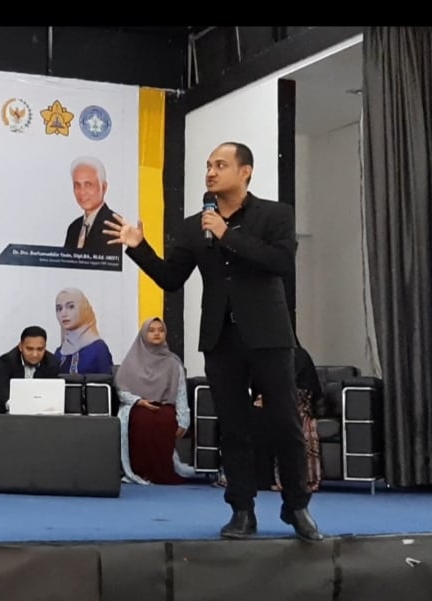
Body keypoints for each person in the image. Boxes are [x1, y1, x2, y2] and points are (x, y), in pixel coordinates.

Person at [103, 141, 322, 542]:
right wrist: (139, 248)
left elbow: (280, 263)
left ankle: (296, 506)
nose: (210, 172)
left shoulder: (275, 214)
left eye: (220, 165)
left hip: (269, 336)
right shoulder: (194, 226)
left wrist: (227, 234)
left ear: (245, 172)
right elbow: (171, 279)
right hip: (221, 339)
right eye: (208, 165)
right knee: (234, 428)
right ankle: (242, 510)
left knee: (285, 423)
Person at [115, 317, 194, 485]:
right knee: (142, 418)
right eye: (151, 330)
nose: (157, 334)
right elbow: (121, 391)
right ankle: (140, 471)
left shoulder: (173, 363)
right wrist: (139, 401)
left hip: (164, 405)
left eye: (161, 330)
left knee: (166, 418)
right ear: (144, 334)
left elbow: (180, 392)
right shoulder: (131, 361)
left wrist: (184, 420)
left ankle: (162, 472)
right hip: (138, 405)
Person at [249, 342, 324, 492]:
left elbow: (301, 390)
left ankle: (277, 479)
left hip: (297, 405)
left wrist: (270, 398)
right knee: (253, 417)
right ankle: (258, 478)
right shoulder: (266, 358)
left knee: (270, 419)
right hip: (273, 402)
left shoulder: (299, 355)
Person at [0, 325, 62, 414]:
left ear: (45, 347)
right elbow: (1, 391)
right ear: (20, 346)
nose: (35, 354)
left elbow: (51, 395)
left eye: (40, 349)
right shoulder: (5, 361)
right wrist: (17, 407)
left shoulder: (52, 363)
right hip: (8, 414)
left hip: (40, 415)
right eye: (29, 349)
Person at [62, 156, 122, 261]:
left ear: (104, 187)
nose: (82, 192)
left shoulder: (115, 225)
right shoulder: (73, 228)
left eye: (88, 185)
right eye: (77, 185)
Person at [53, 287, 114, 375]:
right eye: (59, 309)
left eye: (71, 307)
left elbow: (107, 381)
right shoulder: (59, 352)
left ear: (83, 309)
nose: (64, 314)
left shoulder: (98, 349)